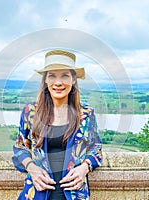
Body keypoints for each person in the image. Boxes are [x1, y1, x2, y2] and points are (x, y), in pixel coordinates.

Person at [12, 49, 102, 200]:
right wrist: (32, 168)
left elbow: (96, 148)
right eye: (52, 75)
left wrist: (84, 168)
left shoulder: (86, 114)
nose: (58, 82)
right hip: (37, 195)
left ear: (73, 80)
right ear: (45, 80)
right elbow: (20, 147)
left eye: (65, 75)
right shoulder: (30, 112)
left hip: (75, 195)